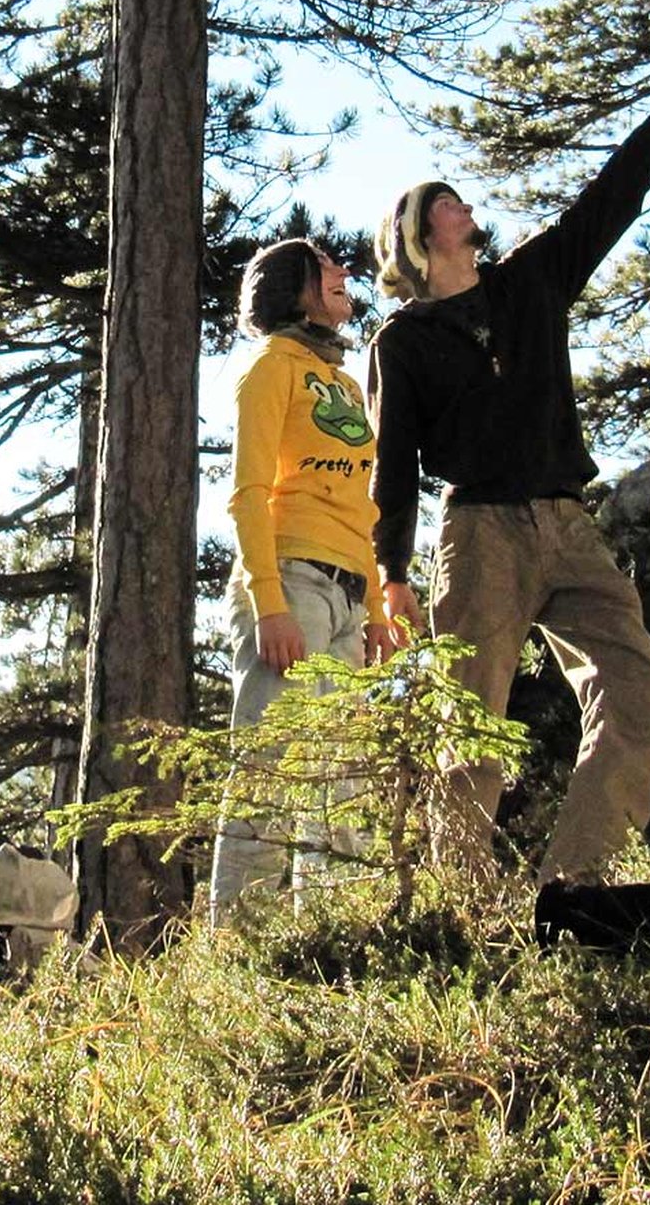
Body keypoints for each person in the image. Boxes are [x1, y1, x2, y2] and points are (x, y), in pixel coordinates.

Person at [368, 29, 650, 886]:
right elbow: (392, 465)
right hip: (480, 532)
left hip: (570, 524)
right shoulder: (404, 340)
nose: (467, 209)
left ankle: (574, 886)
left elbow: (615, 196)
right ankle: (456, 904)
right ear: (422, 235)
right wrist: (392, 573)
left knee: (637, 688)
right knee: (472, 727)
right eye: (450, 203)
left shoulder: (532, 280)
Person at [209, 239, 402, 921]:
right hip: (288, 582)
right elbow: (247, 492)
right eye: (327, 269)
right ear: (296, 289)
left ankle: (331, 943)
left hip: (348, 594)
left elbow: (362, 506)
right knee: (269, 771)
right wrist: (269, 603)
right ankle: (235, 960)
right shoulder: (270, 368)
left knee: (339, 781)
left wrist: (376, 608)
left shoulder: (345, 383)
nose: (343, 274)